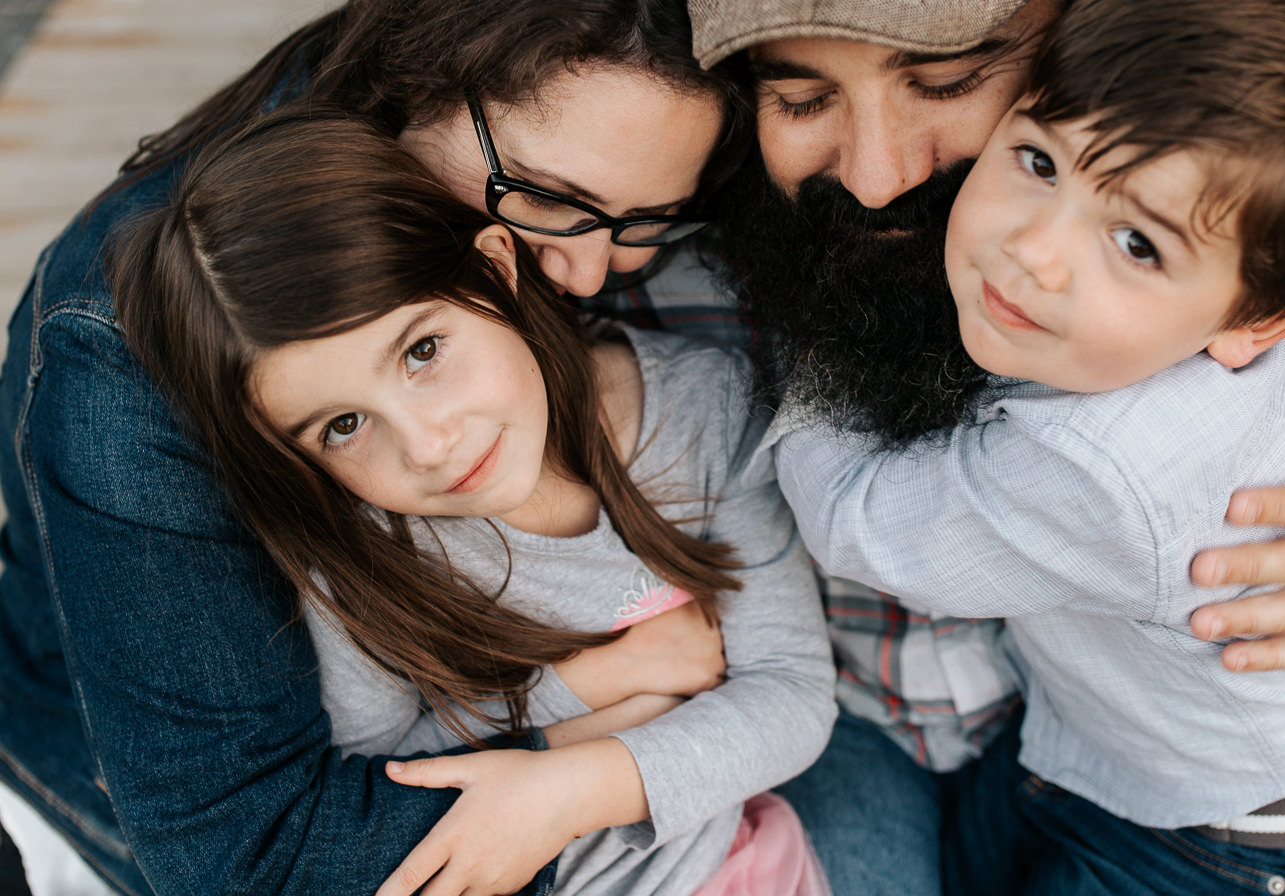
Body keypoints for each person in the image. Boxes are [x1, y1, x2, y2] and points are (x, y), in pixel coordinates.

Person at [595, 0, 1285, 892]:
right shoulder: (663, 227)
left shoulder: (1279, 203)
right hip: (860, 735)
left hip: (1184, 824)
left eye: (946, 76)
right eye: (802, 99)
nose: (881, 178)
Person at [0, 0, 752, 893]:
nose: (580, 275)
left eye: (640, 223)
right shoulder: (131, 358)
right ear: (418, 75)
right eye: (546, 199)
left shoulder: (488, 177)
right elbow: (251, 858)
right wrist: (598, 766)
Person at [772, 0, 1285, 894]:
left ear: (1264, 320)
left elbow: (856, 524)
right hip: (1100, 752)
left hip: (1209, 837)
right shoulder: (1146, 331)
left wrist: (812, 322)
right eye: (1038, 162)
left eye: (1136, 243)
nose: (1037, 252)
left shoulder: (1105, 467)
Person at [109, 109, 836, 896]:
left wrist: (566, 792)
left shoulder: (703, 409)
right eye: (344, 426)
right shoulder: (360, 553)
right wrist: (591, 689)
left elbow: (792, 694)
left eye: (423, 351)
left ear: (493, 269)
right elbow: (370, 782)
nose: (427, 445)